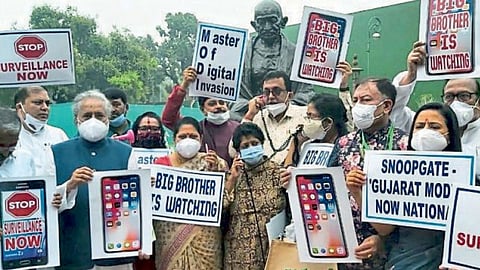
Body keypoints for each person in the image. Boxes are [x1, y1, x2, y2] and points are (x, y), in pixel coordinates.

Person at [346, 102, 462, 269]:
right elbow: (385, 229)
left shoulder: (467, 179)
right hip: (402, 263)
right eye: (420, 126)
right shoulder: (395, 175)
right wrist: (357, 192)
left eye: (435, 127)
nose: (425, 132)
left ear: (450, 135)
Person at [51, 90, 144, 270]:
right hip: (73, 252)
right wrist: (69, 186)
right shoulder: (56, 153)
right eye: (87, 116)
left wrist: (143, 240)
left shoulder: (126, 152)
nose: (93, 120)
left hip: (116, 255)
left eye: (99, 115)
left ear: (107, 119)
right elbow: (48, 202)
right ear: (76, 119)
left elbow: (137, 205)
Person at [328, 78, 409, 269]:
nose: (357, 106)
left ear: (386, 105)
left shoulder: (405, 145)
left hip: (387, 251)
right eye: (355, 100)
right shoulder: (342, 144)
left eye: (365, 100)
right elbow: (327, 189)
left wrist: (384, 240)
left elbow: (412, 208)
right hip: (344, 248)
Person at [391, 41, 480, 183]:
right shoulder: (426, 125)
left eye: (464, 96)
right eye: (449, 96)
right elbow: (394, 113)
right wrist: (411, 75)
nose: (456, 103)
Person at [153, 116, 228, 270]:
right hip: (169, 236)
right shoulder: (161, 166)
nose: (188, 140)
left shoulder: (214, 162)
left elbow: (226, 201)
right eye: (182, 136)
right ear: (174, 139)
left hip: (206, 238)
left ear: (201, 139)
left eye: (193, 136)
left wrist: (215, 173)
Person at [230, 0, 314, 120]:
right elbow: (232, 96)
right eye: (261, 22)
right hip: (250, 112)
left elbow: (307, 93)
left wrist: (284, 105)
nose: (267, 27)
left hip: (287, 113)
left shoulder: (296, 54)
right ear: (254, 25)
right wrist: (254, 105)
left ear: (283, 22)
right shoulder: (241, 54)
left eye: (272, 20)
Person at [223, 122, 286, 269]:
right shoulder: (232, 176)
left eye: (254, 143)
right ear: (238, 151)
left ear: (262, 144)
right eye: (245, 146)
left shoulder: (279, 173)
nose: (251, 148)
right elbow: (220, 209)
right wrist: (232, 179)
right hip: (238, 253)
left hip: (271, 250)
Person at [161, 67, 239, 166]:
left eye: (222, 103)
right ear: (203, 110)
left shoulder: (238, 128)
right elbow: (168, 119)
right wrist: (184, 86)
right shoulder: (196, 130)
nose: (218, 106)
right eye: (212, 104)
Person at [242, 70, 306, 164]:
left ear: (290, 95)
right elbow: (232, 151)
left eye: (277, 91)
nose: (271, 96)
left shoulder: (304, 115)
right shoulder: (257, 117)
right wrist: (249, 115)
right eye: (267, 92)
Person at [14, 85, 68, 175]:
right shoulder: (9, 138)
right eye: (38, 103)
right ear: (19, 108)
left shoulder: (58, 135)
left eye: (47, 103)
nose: (45, 108)